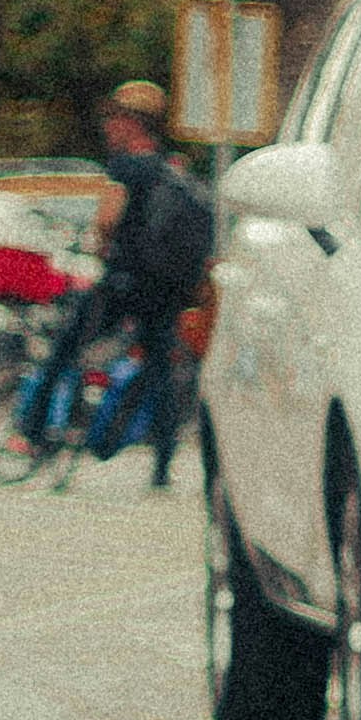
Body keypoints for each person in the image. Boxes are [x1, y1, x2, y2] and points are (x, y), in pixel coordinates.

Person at [70, 80, 220, 491]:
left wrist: (99, 247)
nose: (108, 127)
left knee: (68, 343)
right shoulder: (172, 169)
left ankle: (31, 432)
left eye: (114, 118)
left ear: (131, 122)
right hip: (166, 286)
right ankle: (161, 464)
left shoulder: (125, 167)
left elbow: (105, 221)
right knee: (158, 368)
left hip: (125, 282)